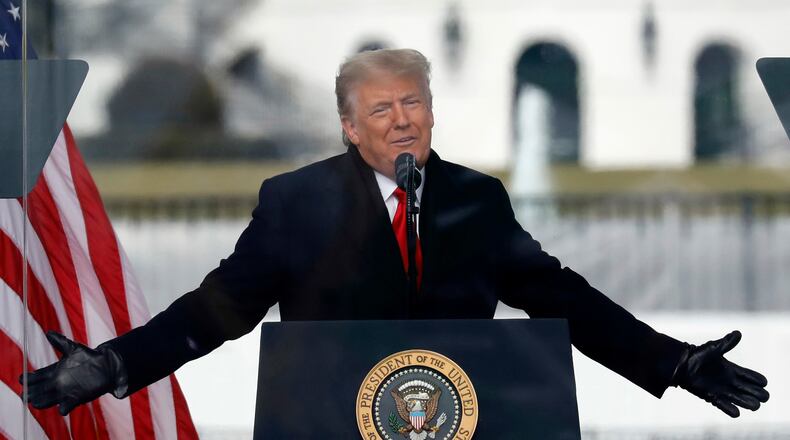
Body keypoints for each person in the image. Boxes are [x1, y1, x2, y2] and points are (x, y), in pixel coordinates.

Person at [23, 48, 768, 419]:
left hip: (464, 424)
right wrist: (115, 364)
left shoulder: (476, 200)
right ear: (349, 127)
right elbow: (217, 309)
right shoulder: (296, 202)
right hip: (326, 426)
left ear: (433, 112)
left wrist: (672, 363)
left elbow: (560, 298)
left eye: (413, 103)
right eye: (381, 110)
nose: (402, 119)